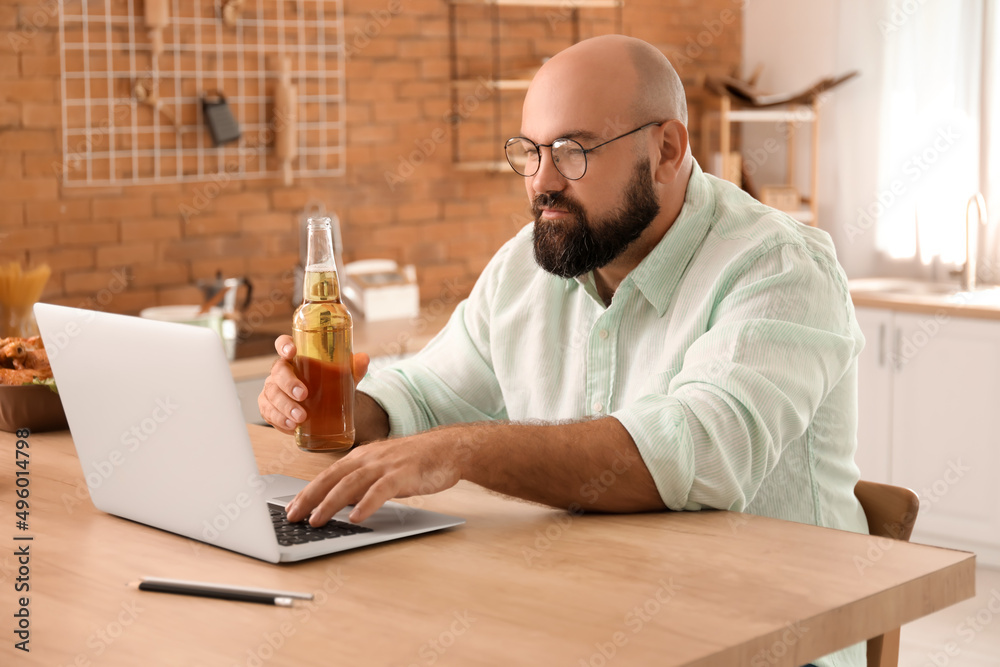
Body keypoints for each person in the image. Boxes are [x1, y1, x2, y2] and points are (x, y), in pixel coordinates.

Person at [260, 34, 865, 667]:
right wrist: (335, 403)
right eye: (530, 152)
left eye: (573, 152)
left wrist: (462, 450)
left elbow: (699, 454)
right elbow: (424, 394)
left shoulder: (780, 269)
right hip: (593, 622)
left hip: (771, 639)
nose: (542, 183)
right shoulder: (525, 267)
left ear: (665, 150)